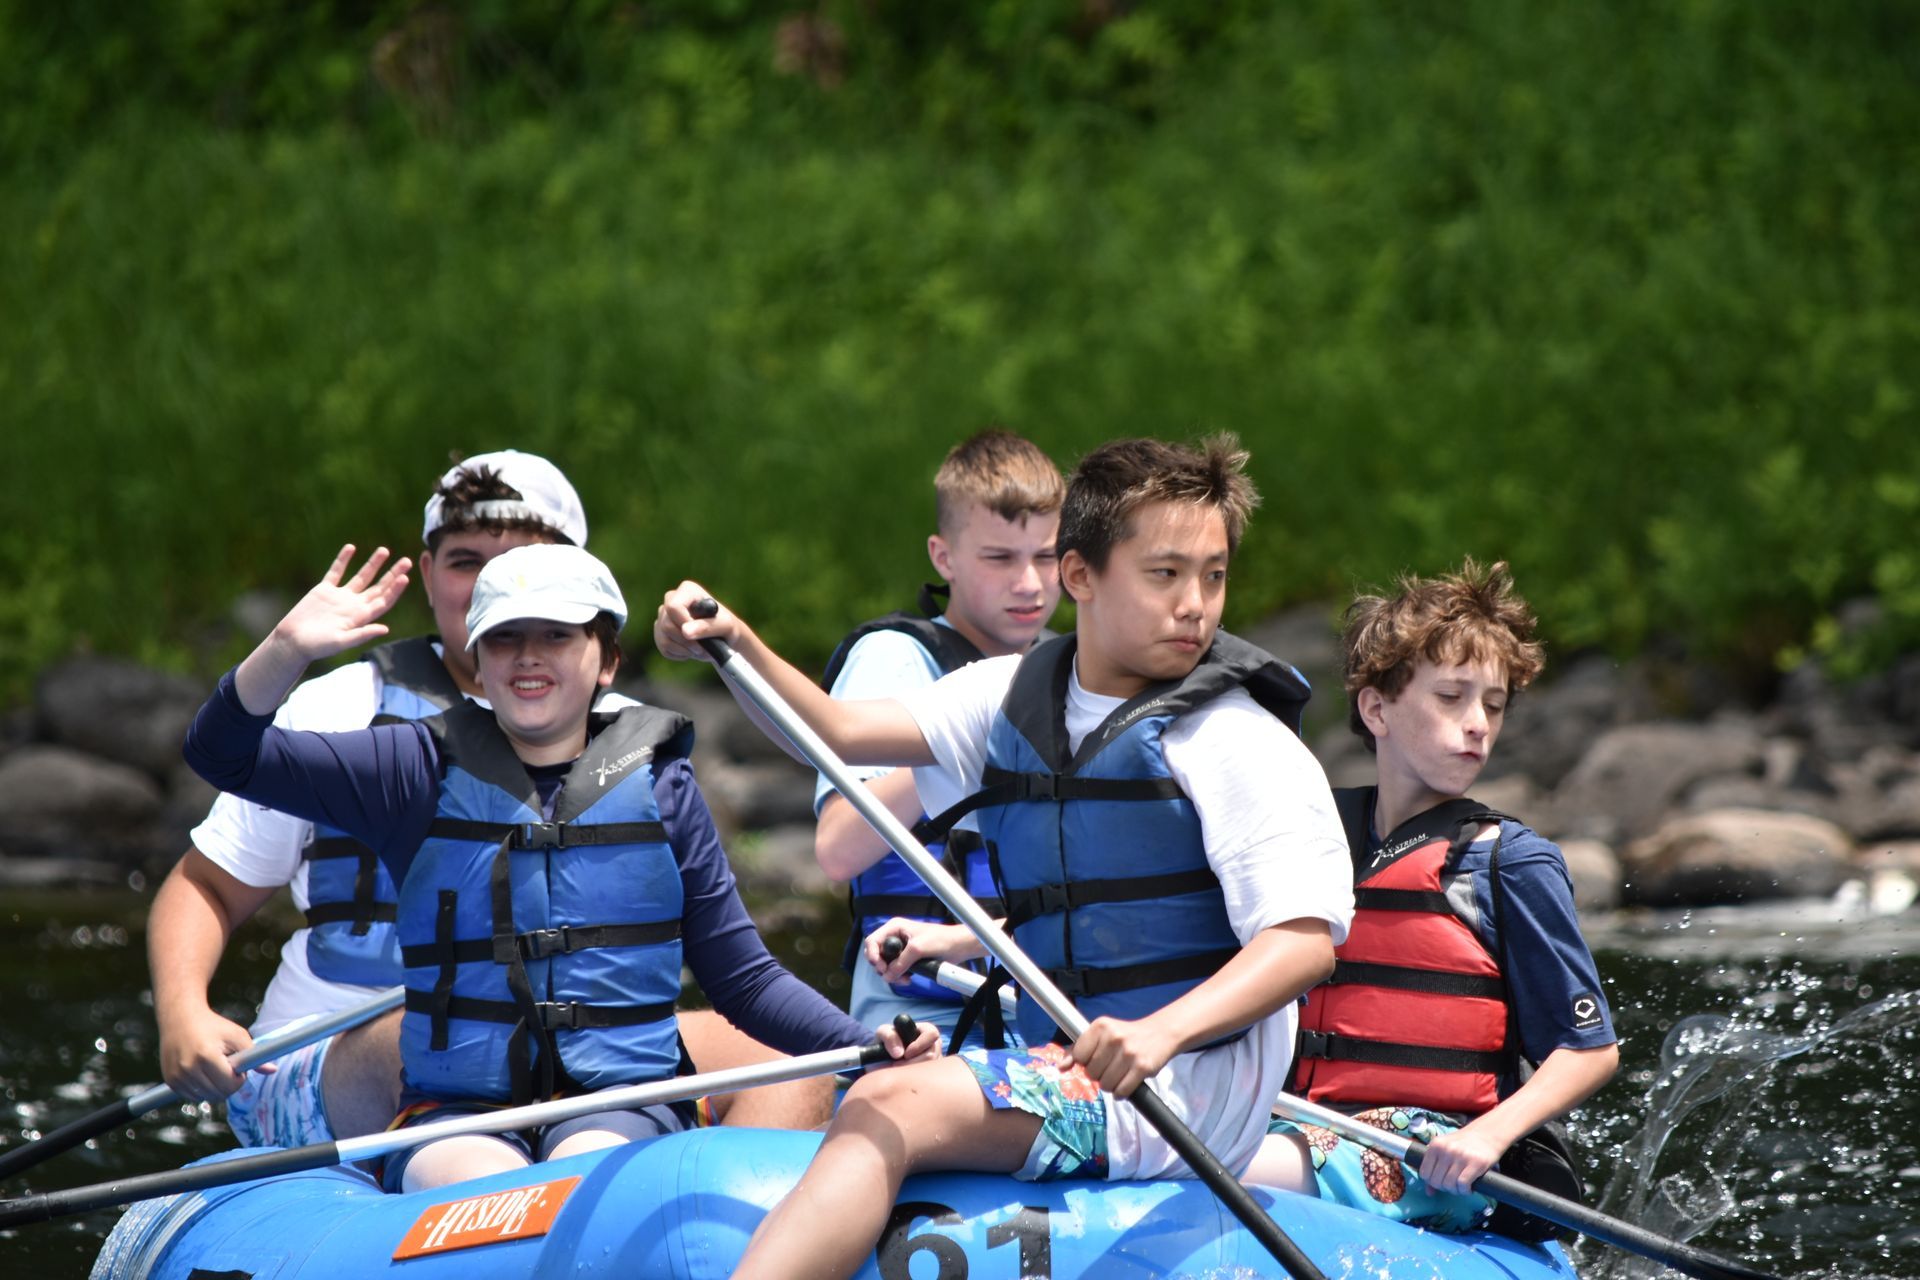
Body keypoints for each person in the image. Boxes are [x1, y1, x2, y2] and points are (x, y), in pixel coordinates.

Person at [656, 435, 1355, 1280]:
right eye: (1165, 575)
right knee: (890, 1098)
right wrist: (732, 641)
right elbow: (836, 735)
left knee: (887, 1101)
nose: (1195, 605)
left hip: (1187, 1090)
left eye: (1213, 576)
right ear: (1081, 576)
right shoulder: (1012, 695)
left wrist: (1159, 1033)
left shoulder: (1234, 738)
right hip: (1068, 1067)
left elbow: (1304, 943)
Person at [182, 542, 936, 1191]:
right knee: (479, 1185)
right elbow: (219, 754)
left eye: (557, 635)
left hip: (624, 1101)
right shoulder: (408, 766)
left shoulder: (663, 785)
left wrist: (869, 1047)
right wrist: (285, 649)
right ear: (479, 661)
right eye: (505, 639)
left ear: (607, 659)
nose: (528, 656)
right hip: (461, 1114)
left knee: (585, 1169)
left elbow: (742, 979)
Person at [152, 450, 824, 1155]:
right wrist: (182, 1011)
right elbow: (205, 881)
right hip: (348, 1046)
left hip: (571, 1052)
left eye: (524, 564)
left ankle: (706, 1210)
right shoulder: (343, 713)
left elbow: (733, 968)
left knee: (781, 1062)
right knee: (434, 1029)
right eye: (467, 562)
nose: (497, 585)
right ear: (429, 572)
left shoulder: (627, 748)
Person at [1244, 559, 1619, 1241]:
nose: (1478, 724)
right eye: (1451, 697)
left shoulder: (1509, 863)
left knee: (1223, 1166)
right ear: (1376, 709)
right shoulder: (1308, 836)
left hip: (1432, 1154)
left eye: (1493, 705)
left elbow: (1589, 1049)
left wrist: (1488, 1135)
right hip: (1299, 1122)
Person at [814, 429, 1063, 1045]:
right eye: (1000, 558)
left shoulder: (1073, 668)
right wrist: (962, 738)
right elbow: (838, 849)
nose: (1029, 583)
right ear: (943, 557)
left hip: (1053, 1009)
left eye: (1047, 556)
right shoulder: (893, 660)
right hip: (926, 1015)